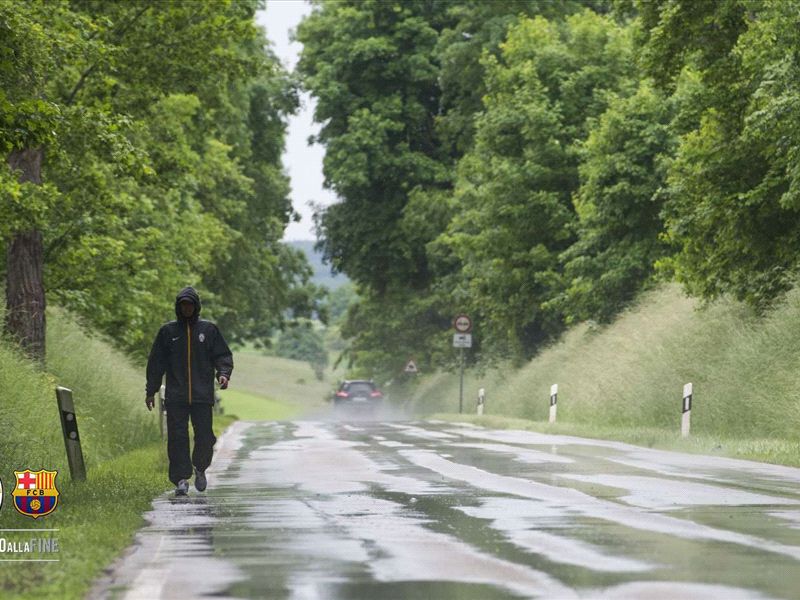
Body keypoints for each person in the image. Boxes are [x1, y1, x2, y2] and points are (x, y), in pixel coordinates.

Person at [145, 287, 233, 496]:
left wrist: (223, 374)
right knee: (177, 437)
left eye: (190, 304)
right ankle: (181, 479)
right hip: (176, 396)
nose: (186, 308)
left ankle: (200, 468)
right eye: (183, 304)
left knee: (205, 437)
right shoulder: (168, 332)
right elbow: (156, 364)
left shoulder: (209, 330)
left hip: (202, 396)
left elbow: (222, 355)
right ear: (178, 306)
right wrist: (151, 391)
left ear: (196, 306)